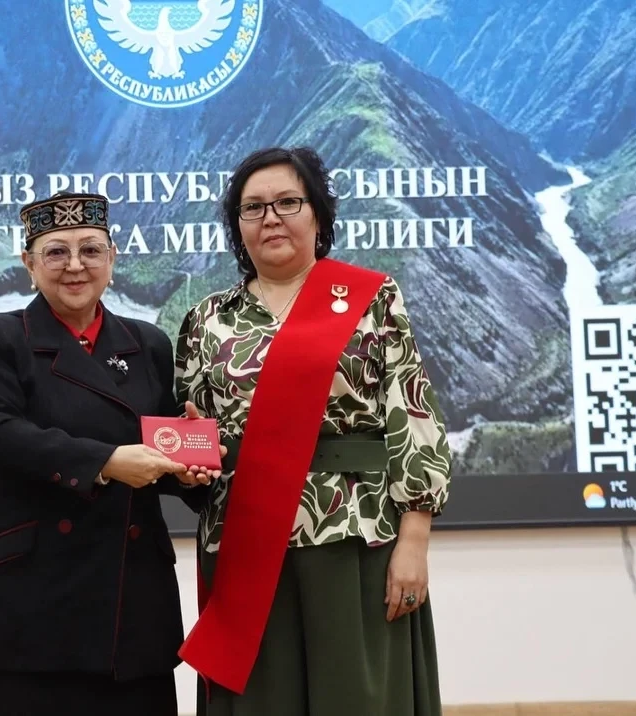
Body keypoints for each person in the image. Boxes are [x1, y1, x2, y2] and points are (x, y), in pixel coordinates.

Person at [174, 147, 452, 715]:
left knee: (357, 701)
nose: (271, 218)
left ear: (318, 214)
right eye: (253, 208)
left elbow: (412, 415)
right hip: (245, 544)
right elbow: (193, 431)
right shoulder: (207, 319)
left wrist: (415, 541)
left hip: (354, 534)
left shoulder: (372, 298)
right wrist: (189, 458)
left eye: (287, 202)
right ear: (237, 226)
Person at [0, 191, 219, 716]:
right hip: (26, 605)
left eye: (91, 250)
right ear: (29, 264)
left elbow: (156, 449)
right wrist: (106, 462)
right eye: (56, 252)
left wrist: (187, 470)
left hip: (129, 607)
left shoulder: (148, 344)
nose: (75, 265)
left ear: (112, 260)